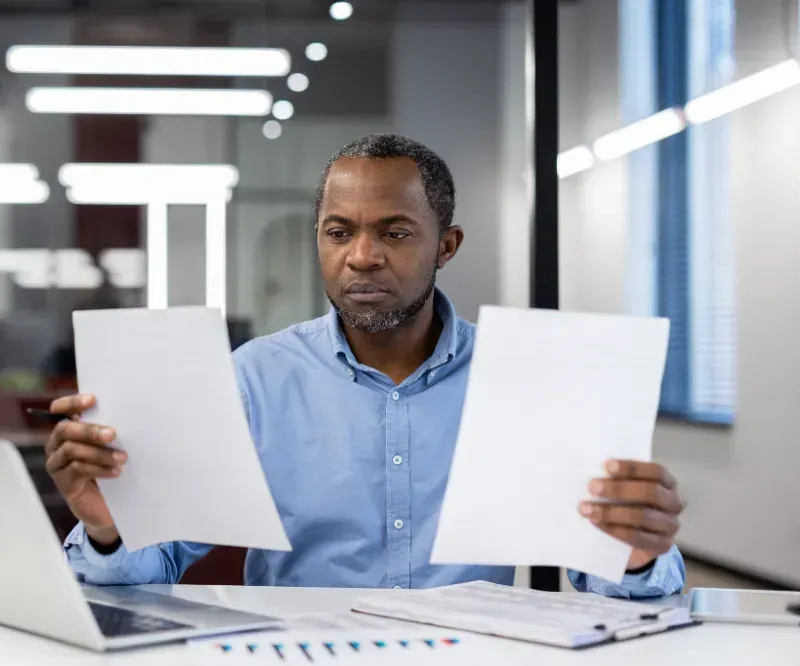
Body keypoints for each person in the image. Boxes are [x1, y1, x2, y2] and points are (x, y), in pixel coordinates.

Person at [44, 134, 686, 596]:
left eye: (396, 232)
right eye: (338, 231)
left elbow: (611, 581)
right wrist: (107, 528)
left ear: (447, 245)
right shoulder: (254, 378)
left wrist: (634, 552)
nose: (362, 256)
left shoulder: (523, 381)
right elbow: (157, 562)